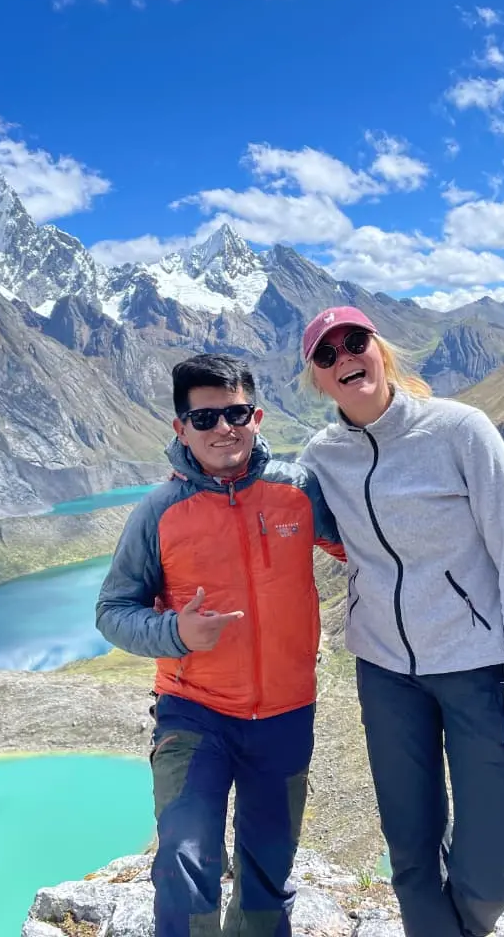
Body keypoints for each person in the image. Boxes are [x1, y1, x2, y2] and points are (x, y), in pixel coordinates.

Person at [295, 306, 504, 937]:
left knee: (491, 875)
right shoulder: (322, 458)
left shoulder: (460, 431)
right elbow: (266, 503)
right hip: (385, 674)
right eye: (327, 354)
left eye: (354, 341)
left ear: (380, 349)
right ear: (318, 380)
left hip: (478, 669)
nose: (344, 357)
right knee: (411, 855)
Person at [96, 352, 345, 937]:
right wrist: (176, 633)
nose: (223, 429)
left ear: (256, 416)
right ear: (181, 428)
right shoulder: (159, 512)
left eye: (235, 413)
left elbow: (362, 547)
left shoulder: (297, 491)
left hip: (286, 715)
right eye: (204, 418)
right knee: (185, 861)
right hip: (193, 714)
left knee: (269, 869)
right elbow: (112, 611)